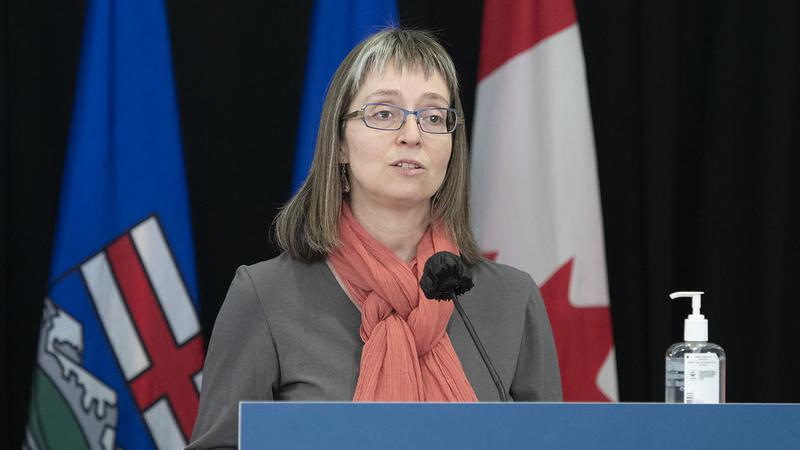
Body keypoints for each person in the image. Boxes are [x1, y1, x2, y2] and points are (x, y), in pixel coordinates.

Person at [187, 28, 561, 449]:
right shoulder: (266, 297)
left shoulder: (512, 299)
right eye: (384, 114)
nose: (412, 135)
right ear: (339, 145)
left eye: (433, 117)